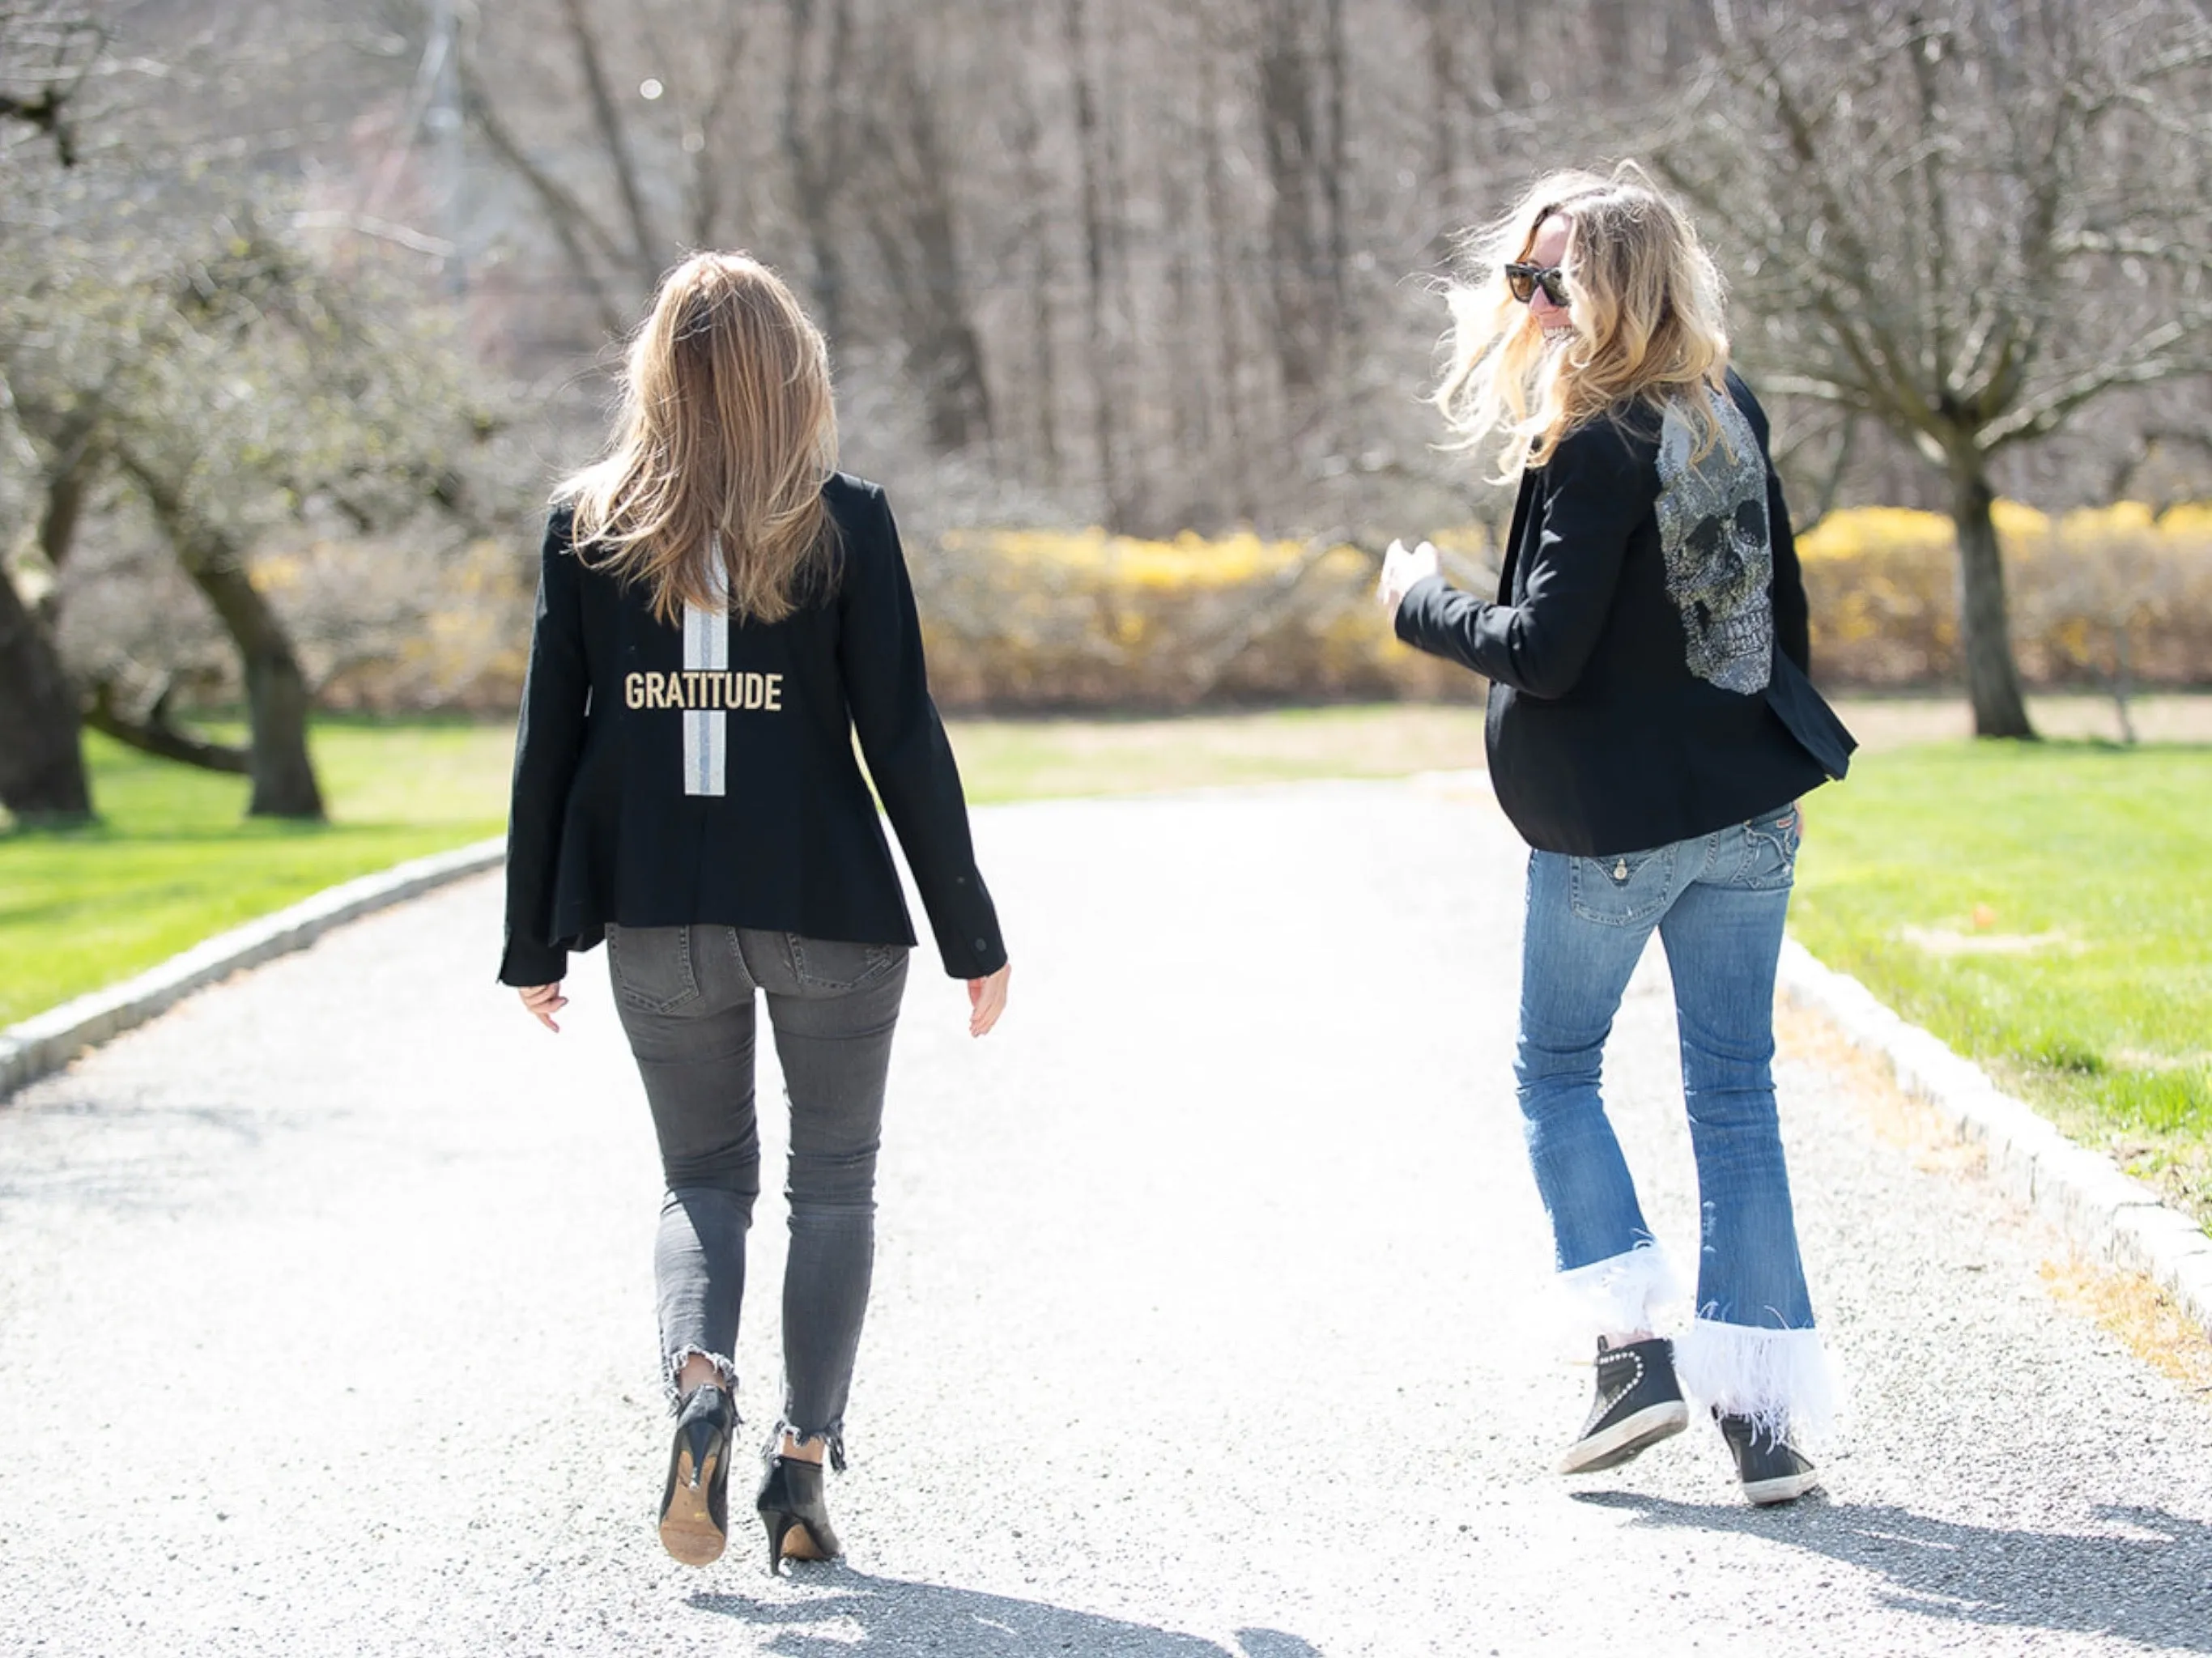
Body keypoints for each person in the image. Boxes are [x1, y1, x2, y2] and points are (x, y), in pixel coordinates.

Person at [499, 251, 1012, 1571]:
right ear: (798, 376)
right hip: (830, 911)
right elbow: (903, 736)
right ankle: (797, 1475)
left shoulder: (585, 524)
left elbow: (548, 746)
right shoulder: (846, 519)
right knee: (833, 1188)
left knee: (700, 1178)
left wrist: (532, 942)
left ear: (655, 375)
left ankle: (699, 1391)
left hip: (661, 918)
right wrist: (973, 936)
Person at [1378, 164, 1857, 1505]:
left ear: (1609, 295)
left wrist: (1421, 601)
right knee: (1735, 1094)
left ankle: (1633, 1356)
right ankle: (1763, 1430)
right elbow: (1783, 620)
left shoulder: (1589, 444)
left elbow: (1541, 651)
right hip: (1749, 811)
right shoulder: (1729, 407)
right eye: (1520, 280)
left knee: (1554, 1072)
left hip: (1614, 834)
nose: (1526, 303)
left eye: (1549, 282)